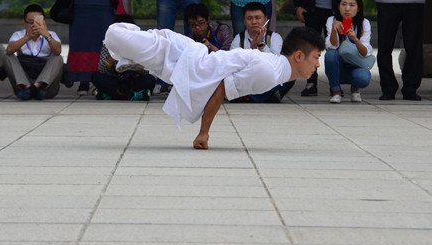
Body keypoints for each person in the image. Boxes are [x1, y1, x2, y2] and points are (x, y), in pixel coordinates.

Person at [104, 23, 324, 150]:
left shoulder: (276, 69)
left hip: (182, 63)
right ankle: (126, 58)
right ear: (298, 55)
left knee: (119, 37)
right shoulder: (270, 72)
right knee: (113, 33)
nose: (317, 64)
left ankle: (129, 59)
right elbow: (221, 90)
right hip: (178, 56)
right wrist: (204, 133)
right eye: (315, 57)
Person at [229, 2, 295, 103]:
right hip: (248, 78)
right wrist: (250, 53)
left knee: (290, 75)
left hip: (268, 78)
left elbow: (275, 63)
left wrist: (261, 44)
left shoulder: (274, 37)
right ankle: (266, 96)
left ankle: (249, 97)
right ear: (244, 21)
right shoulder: (239, 38)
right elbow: (232, 63)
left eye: (257, 18)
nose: (254, 22)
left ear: (265, 20)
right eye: (249, 18)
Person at [3, 4, 64, 100]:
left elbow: (58, 51)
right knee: (7, 56)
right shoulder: (19, 35)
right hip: (23, 87)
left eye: (37, 22)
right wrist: (28, 37)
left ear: (43, 21)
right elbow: (9, 50)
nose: (34, 25)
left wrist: (47, 36)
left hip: (45, 89)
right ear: (24, 22)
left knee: (58, 58)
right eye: (30, 22)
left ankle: (36, 86)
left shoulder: (51, 35)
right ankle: (28, 88)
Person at [92, 14, 156, 101]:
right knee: (96, 77)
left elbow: (144, 72)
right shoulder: (108, 43)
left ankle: (112, 95)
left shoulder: (139, 42)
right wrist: (114, 55)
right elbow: (102, 70)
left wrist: (136, 63)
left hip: (132, 80)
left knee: (150, 80)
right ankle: (132, 95)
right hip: (114, 79)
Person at [324, 0, 373, 103]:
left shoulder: (364, 23)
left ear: (358, 8)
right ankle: (336, 91)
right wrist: (334, 30)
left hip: (356, 65)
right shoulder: (332, 20)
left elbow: (365, 52)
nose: (347, 9)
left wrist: (355, 39)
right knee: (330, 55)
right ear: (338, 6)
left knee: (363, 78)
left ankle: (355, 89)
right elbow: (331, 46)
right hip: (339, 67)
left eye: (352, 5)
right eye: (344, 4)